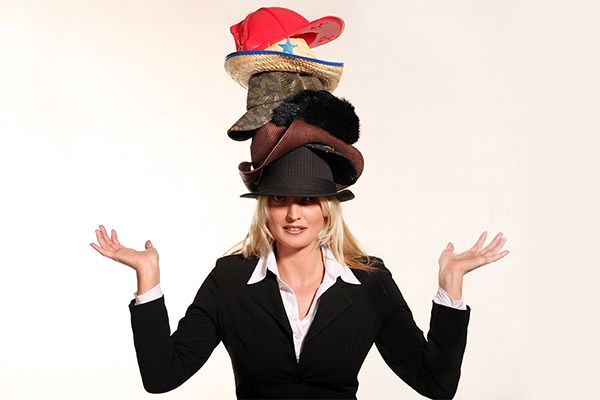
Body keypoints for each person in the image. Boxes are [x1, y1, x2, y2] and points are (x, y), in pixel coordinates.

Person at [90, 143, 509, 399]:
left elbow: (436, 385)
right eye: (279, 200)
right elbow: (162, 377)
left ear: (327, 211)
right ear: (264, 210)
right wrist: (148, 278)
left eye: (308, 201)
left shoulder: (369, 282)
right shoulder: (230, 280)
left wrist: (450, 285)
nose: (293, 213)